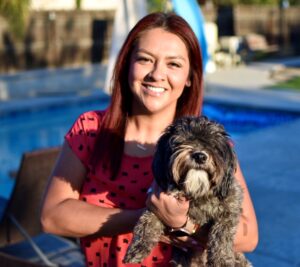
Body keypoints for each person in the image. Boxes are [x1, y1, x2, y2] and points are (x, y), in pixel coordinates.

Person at [41, 12, 258, 267]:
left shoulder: (210, 147)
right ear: (126, 64)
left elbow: (249, 236)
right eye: (145, 59)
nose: (157, 74)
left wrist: (184, 224)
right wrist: (148, 217)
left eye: (174, 64)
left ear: (190, 77)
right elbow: (52, 217)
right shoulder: (90, 130)